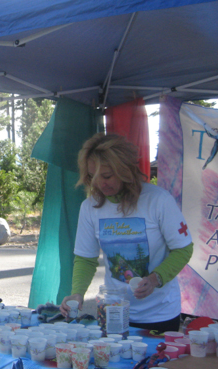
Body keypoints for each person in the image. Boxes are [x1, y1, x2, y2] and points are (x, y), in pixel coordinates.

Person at [59, 133, 193, 332]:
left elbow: (183, 249)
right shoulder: (90, 207)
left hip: (159, 314)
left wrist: (155, 279)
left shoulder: (158, 200)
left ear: (125, 170)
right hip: (113, 311)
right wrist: (77, 293)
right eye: (93, 177)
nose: (100, 184)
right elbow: (86, 259)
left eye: (107, 176)